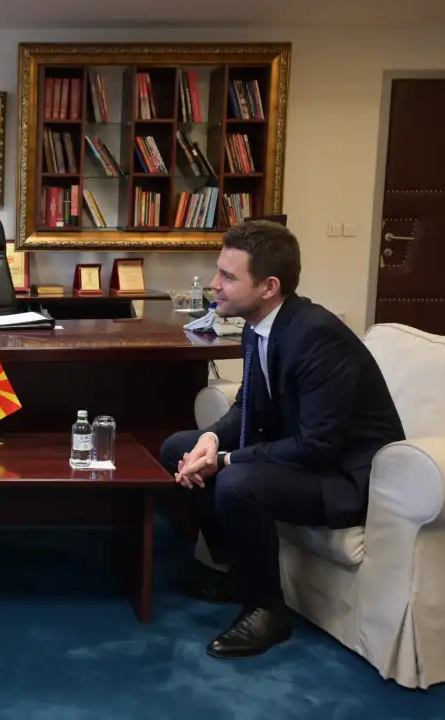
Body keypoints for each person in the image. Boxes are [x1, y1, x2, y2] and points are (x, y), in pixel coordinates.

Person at [161, 220, 404, 659]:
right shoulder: (257, 324)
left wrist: (227, 460)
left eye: (228, 276)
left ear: (268, 286)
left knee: (236, 482)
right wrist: (212, 439)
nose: (214, 284)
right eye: (219, 272)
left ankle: (267, 610)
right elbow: (248, 404)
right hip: (305, 457)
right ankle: (236, 573)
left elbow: (317, 447)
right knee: (180, 447)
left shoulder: (316, 336)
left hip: (345, 478)